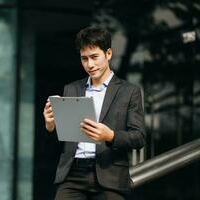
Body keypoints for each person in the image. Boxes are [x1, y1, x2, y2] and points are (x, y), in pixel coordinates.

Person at [43, 26, 145, 200]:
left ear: (109, 54)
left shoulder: (129, 91)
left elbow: (139, 137)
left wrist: (111, 136)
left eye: (94, 57)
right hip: (72, 175)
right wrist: (50, 126)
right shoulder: (72, 88)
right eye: (84, 59)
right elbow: (60, 140)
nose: (89, 64)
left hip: (110, 175)